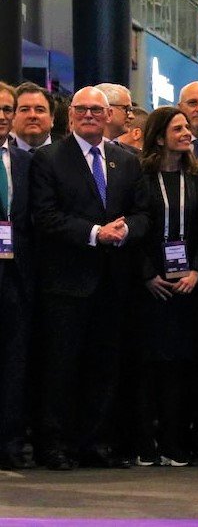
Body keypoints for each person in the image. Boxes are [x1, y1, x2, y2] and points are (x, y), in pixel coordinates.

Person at [31, 87, 150, 470]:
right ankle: (55, 445)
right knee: (62, 368)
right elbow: (44, 216)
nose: (89, 115)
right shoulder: (48, 159)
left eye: (96, 110)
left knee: (105, 366)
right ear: (70, 117)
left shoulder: (126, 161)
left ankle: (95, 442)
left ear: (109, 115)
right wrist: (96, 233)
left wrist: (126, 229)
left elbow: (143, 213)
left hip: (114, 283)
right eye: (81, 109)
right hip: (66, 283)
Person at [133, 106, 198, 467]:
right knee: (148, 365)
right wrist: (147, 273)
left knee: (181, 366)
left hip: (187, 286)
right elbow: (134, 228)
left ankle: (175, 442)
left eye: (186, 128)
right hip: (151, 285)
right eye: (178, 128)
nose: (186, 133)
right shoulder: (140, 175)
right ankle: (145, 443)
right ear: (160, 136)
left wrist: (196, 270)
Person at [0, 82, 34, 469]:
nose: (3, 115)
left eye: (9, 109)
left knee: (14, 364)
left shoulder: (27, 162)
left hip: (18, 275)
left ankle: (9, 445)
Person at [10, 82, 54, 152]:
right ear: (13, 118)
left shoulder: (71, 153)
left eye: (40, 110)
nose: (32, 115)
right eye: (24, 110)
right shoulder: (3, 155)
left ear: (52, 118)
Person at [95, 83, 136, 152]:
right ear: (107, 110)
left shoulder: (136, 156)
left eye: (131, 110)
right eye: (126, 109)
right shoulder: (74, 151)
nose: (132, 116)